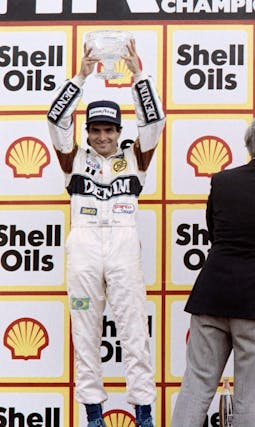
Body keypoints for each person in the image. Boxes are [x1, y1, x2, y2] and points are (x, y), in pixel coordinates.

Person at [46, 39, 165, 427]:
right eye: (95, 130)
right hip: (82, 247)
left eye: (108, 130)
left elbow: (156, 121)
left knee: (134, 330)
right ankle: (93, 414)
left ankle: (143, 412)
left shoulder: (135, 157)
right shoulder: (73, 157)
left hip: (122, 246)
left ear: (118, 131)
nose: (101, 137)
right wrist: (81, 77)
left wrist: (138, 75)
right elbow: (55, 119)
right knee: (84, 331)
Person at [171, 114, 255, 427]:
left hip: (213, 292)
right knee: (249, 396)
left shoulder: (222, 180)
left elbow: (214, 230)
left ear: (248, 144)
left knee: (196, 386)